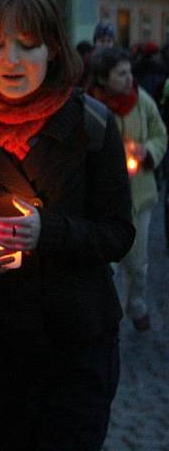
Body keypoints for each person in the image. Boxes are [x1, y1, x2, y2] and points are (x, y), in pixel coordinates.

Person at [0, 0, 135, 449]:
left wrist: (48, 233)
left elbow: (117, 233)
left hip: (74, 349)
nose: (10, 60)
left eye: (27, 45)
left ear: (53, 49)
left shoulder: (92, 126)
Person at [87, 46, 167, 332]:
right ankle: (107, 314)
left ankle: (137, 304)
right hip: (103, 201)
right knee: (108, 264)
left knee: (138, 262)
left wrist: (147, 151)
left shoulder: (142, 101)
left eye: (129, 71)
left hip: (140, 196)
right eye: (121, 73)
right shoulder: (90, 107)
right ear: (103, 77)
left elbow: (161, 134)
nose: (128, 78)